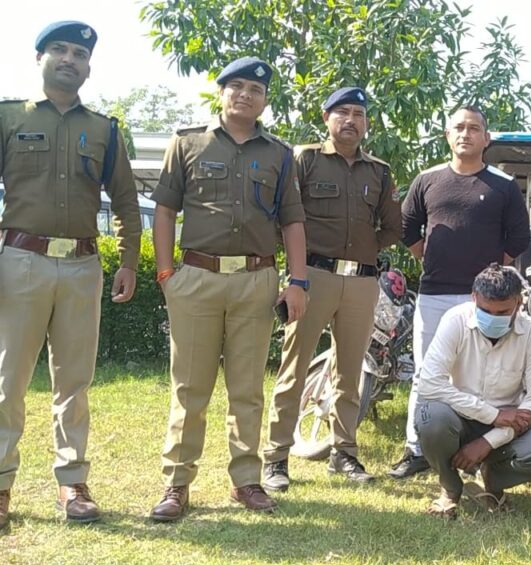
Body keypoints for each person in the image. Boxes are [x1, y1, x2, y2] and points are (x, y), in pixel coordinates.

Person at [148, 57, 309, 522]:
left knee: (247, 388)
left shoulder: (279, 154)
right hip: (196, 279)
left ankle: (246, 481)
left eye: (255, 90)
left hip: (256, 281)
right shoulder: (187, 143)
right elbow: (164, 209)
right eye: (236, 86)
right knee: (190, 387)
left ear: (265, 101)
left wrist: (297, 282)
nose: (245, 95)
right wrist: (166, 273)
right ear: (220, 93)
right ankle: (177, 483)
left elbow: (292, 220)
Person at [0, 21, 141, 528]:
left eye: (79, 54)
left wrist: (129, 261)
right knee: (7, 380)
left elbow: (125, 201)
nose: (69, 59)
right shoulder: (9, 117)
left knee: (74, 381)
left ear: (88, 67)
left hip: (82, 267)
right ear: (39, 58)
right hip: (20, 261)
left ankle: (73, 481)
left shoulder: (104, 130)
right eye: (58, 50)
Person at [262, 86, 401, 489]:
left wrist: (365, 249)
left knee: (351, 371)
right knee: (295, 366)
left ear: (367, 123)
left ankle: (344, 453)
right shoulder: (304, 160)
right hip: (313, 276)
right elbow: (282, 217)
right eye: (343, 112)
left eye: (359, 114)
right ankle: (276, 457)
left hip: (361, 282)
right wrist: (298, 272)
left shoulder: (379, 172)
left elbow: (393, 226)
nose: (351, 121)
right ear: (326, 118)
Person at [393, 105, 531, 479]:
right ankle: (417, 449)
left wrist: (489, 274)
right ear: (447, 135)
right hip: (435, 293)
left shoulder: (503, 184)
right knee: (426, 371)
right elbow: (406, 228)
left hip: (486, 302)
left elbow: (519, 238)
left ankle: (481, 447)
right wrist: (429, 256)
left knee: (481, 374)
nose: (465, 134)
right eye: (458, 127)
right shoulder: (427, 180)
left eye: (473, 128)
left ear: (486, 138)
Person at [415, 264, 531, 518]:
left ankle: (492, 481)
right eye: (485, 311)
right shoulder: (455, 320)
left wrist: (487, 441)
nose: (493, 318)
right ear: (474, 298)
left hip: (511, 425)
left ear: (518, 303)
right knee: (431, 418)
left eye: (502, 312)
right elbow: (429, 383)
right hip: (460, 418)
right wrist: (493, 415)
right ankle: (450, 488)